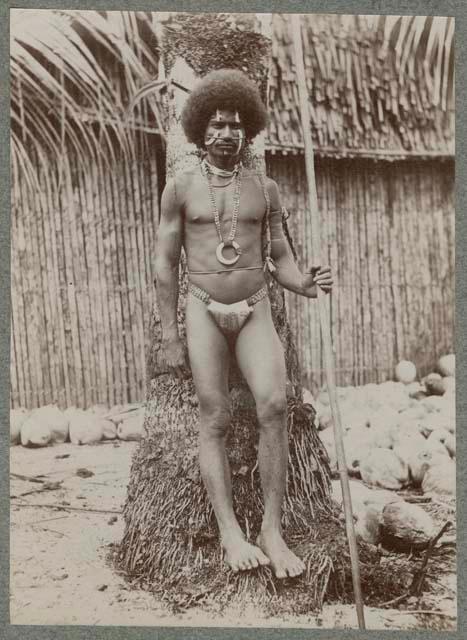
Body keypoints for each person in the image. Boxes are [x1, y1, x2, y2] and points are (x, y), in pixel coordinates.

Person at [154, 69, 333, 579]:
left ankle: (271, 532)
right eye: (215, 124)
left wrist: (307, 282)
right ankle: (231, 534)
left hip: (256, 305)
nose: (226, 133)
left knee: (274, 406)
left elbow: (280, 257)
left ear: (247, 129)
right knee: (213, 416)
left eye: (235, 124)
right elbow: (165, 262)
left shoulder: (265, 188)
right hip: (201, 308)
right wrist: (169, 334)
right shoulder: (180, 188)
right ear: (198, 131)